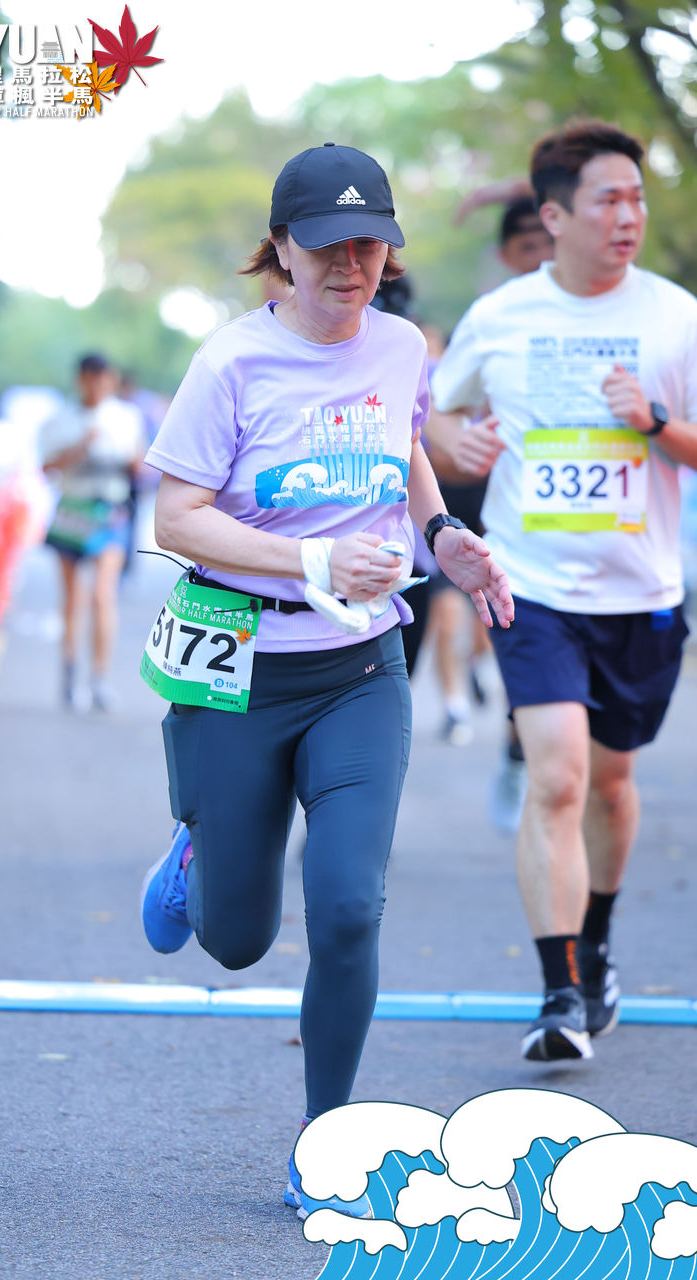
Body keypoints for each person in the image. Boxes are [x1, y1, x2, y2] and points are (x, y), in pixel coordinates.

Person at [138, 142, 513, 1218]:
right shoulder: (229, 364)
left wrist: (441, 536)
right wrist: (309, 560)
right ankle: (200, 847)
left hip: (360, 671)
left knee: (348, 907)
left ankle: (324, 1149)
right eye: (328, 247)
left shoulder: (400, 345)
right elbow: (175, 518)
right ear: (282, 251)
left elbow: (405, 449)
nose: (351, 266)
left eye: (369, 245)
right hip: (242, 670)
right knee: (236, 938)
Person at [431, 119, 697, 1063]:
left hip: (641, 593)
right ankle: (558, 994)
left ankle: (598, 948)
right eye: (607, 199)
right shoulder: (501, 315)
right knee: (557, 779)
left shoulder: (674, 317)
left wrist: (655, 422)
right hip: (532, 587)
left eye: (636, 198)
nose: (628, 216)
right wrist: (454, 443)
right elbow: (433, 416)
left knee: (611, 788)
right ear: (554, 216)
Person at [429, 196, 554, 801]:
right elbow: (429, 417)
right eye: (529, 247)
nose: (542, 258)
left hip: (536, 520)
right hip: (451, 504)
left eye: (549, 244)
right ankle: (456, 704)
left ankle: (510, 724)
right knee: (448, 607)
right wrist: (456, 443)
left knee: (494, 618)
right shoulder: (492, 324)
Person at [39, 354, 145, 711]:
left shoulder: (126, 417)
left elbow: (140, 464)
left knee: (103, 595)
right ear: (81, 379)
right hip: (73, 509)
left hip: (110, 511)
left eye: (105, 378)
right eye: (92, 378)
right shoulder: (61, 420)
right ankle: (69, 674)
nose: (99, 385)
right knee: (73, 599)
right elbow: (46, 467)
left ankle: (99, 678)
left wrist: (132, 461)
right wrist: (79, 448)